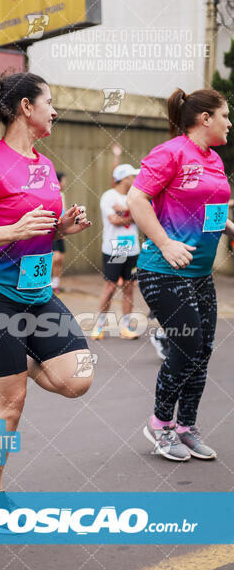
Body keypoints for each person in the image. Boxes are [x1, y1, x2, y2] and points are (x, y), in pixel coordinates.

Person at [0, 73, 94, 521]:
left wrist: (62, 226)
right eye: (50, 101)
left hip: (37, 294)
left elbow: (41, 224)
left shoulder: (44, 165)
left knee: (79, 377)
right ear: (26, 108)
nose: (55, 110)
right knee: (9, 405)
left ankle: (20, 361)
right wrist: (10, 232)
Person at [127, 87, 233, 462]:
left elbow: (211, 209)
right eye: (225, 115)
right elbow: (136, 199)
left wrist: (229, 228)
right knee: (186, 347)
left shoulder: (215, 161)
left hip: (200, 273)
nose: (229, 122)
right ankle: (159, 424)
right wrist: (166, 242)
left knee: (202, 351)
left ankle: (186, 427)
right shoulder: (170, 152)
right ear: (205, 119)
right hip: (163, 270)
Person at [91, 164, 141, 340]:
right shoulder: (108, 196)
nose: (135, 179)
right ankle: (99, 326)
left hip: (133, 249)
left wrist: (124, 210)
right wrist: (133, 213)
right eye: (132, 176)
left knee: (129, 287)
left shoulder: (135, 196)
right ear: (124, 178)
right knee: (110, 287)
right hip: (115, 249)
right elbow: (113, 220)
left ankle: (126, 327)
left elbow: (142, 215)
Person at [51, 172, 67, 294]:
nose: (64, 183)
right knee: (54, 257)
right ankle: (47, 283)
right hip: (52, 229)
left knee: (60, 257)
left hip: (61, 229)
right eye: (63, 180)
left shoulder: (62, 194)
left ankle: (56, 284)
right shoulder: (52, 194)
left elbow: (64, 212)